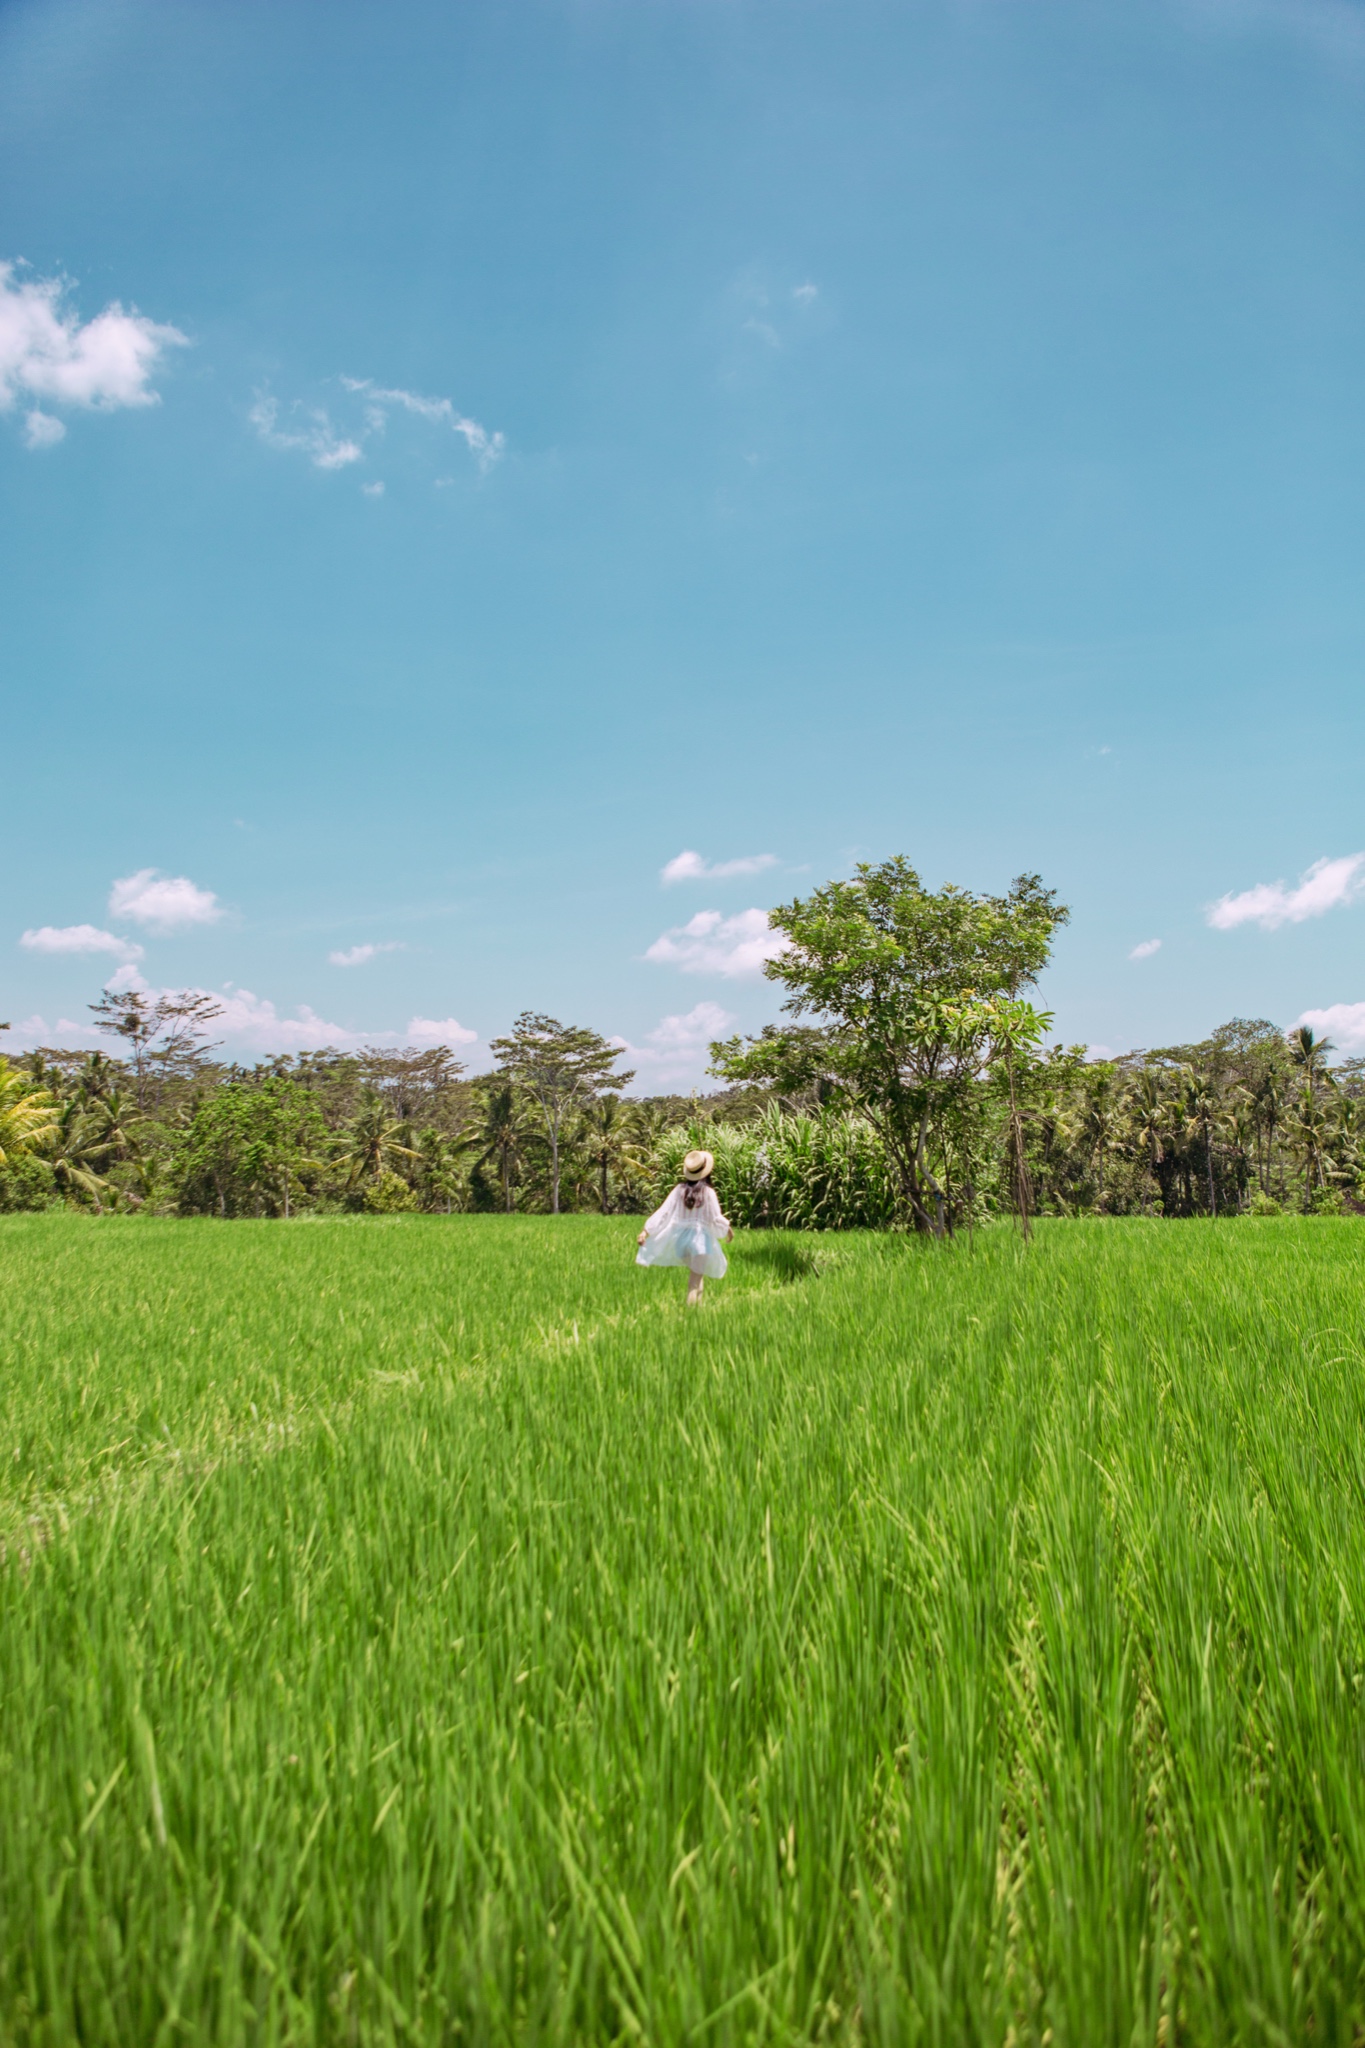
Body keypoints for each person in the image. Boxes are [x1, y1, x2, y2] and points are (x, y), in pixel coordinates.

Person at [636, 1148, 734, 1306]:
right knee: (694, 1283)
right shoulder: (708, 1192)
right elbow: (715, 1218)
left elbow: (664, 1212)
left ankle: (698, 1311)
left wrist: (645, 1231)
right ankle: (691, 1318)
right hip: (700, 1241)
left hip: (680, 1241)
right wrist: (728, 1230)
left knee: (697, 1276)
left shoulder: (678, 1190)